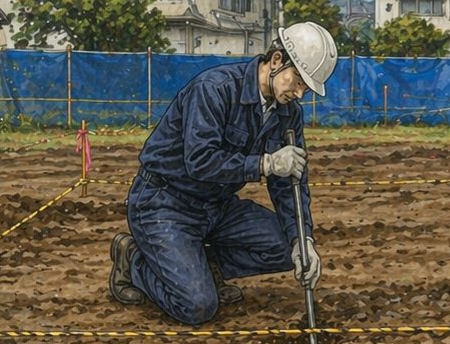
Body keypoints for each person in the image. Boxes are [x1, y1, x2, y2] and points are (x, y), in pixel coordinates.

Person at [108, 22, 338, 324]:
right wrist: (265, 164)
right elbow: (200, 161)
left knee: (288, 246)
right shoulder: (214, 89)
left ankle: (201, 266)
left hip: (215, 207)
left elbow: (289, 182)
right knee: (198, 306)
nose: (299, 93)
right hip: (163, 203)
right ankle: (134, 260)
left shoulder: (288, 113)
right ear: (277, 60)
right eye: (298, 80)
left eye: (306, 88)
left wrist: (303, 240)